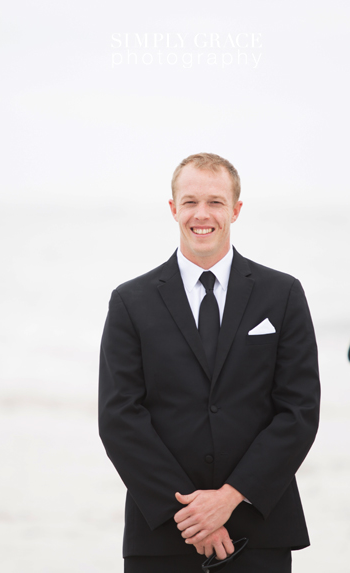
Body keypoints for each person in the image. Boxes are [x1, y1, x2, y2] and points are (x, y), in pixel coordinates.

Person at [98, 153, 320, 572]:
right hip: (161, 533)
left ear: (236, 209)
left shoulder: (283, 294)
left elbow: (300, 411)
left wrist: (230, 497)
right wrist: (192, 515)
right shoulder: (130, 302)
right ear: (172, 209)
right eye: (190, 201)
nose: (202, 214)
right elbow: (119, 417)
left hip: (261, 529)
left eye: (216, 202)